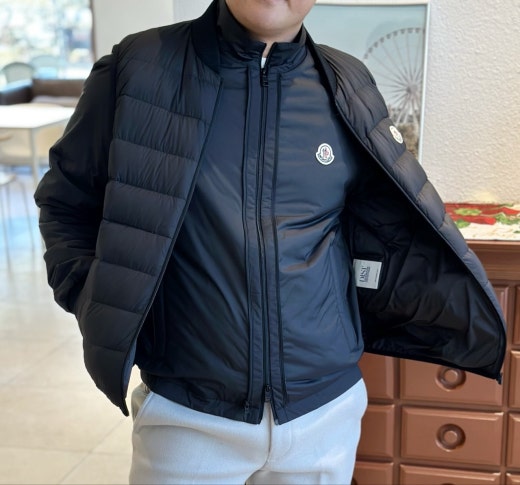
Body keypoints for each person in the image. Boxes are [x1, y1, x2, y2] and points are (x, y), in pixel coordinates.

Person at [34, 0, 506, 483]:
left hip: (324, 417)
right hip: (187, 416)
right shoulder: (137, 67)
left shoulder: (349, 82)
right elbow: (66, 205)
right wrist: (99, 301)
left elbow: (372, 228)